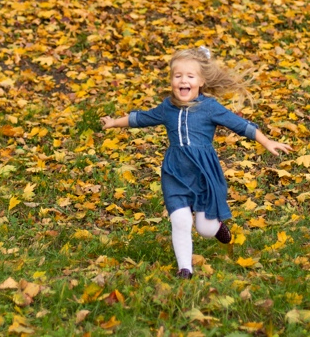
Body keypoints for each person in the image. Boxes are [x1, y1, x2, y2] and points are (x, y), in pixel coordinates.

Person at [101, 47, 292, 279]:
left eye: (190, 76)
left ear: (201, 81)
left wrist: (267, 141)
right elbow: (140, 118)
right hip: (175, 172)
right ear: (171, 79)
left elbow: (241, 126)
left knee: (205, 229)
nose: (183, 80)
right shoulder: (167, 107)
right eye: (178, 75)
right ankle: (185, 269)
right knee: (180, 220)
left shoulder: (209, 108)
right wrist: (113, 123)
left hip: (204, 174)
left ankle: (218, 228)